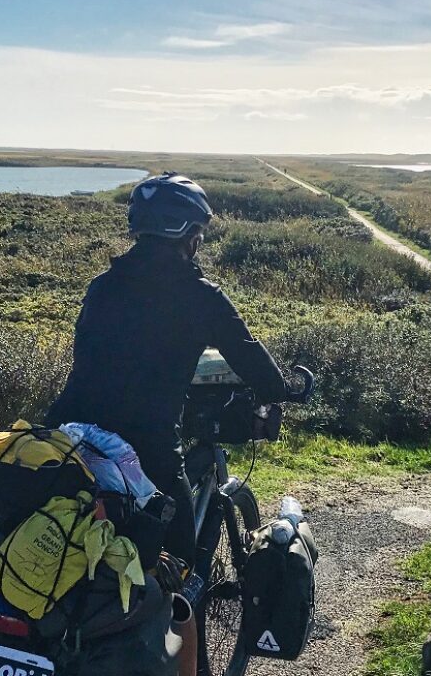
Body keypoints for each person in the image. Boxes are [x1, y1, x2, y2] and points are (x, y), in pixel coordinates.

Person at [47, 173, 288, 569]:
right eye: (199, 232)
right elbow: (249, 356)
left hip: (68, 435)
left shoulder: (102, 287)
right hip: (145, 449)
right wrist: (278, 388)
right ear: (189, 235)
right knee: (178, 566)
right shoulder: (200, 297)